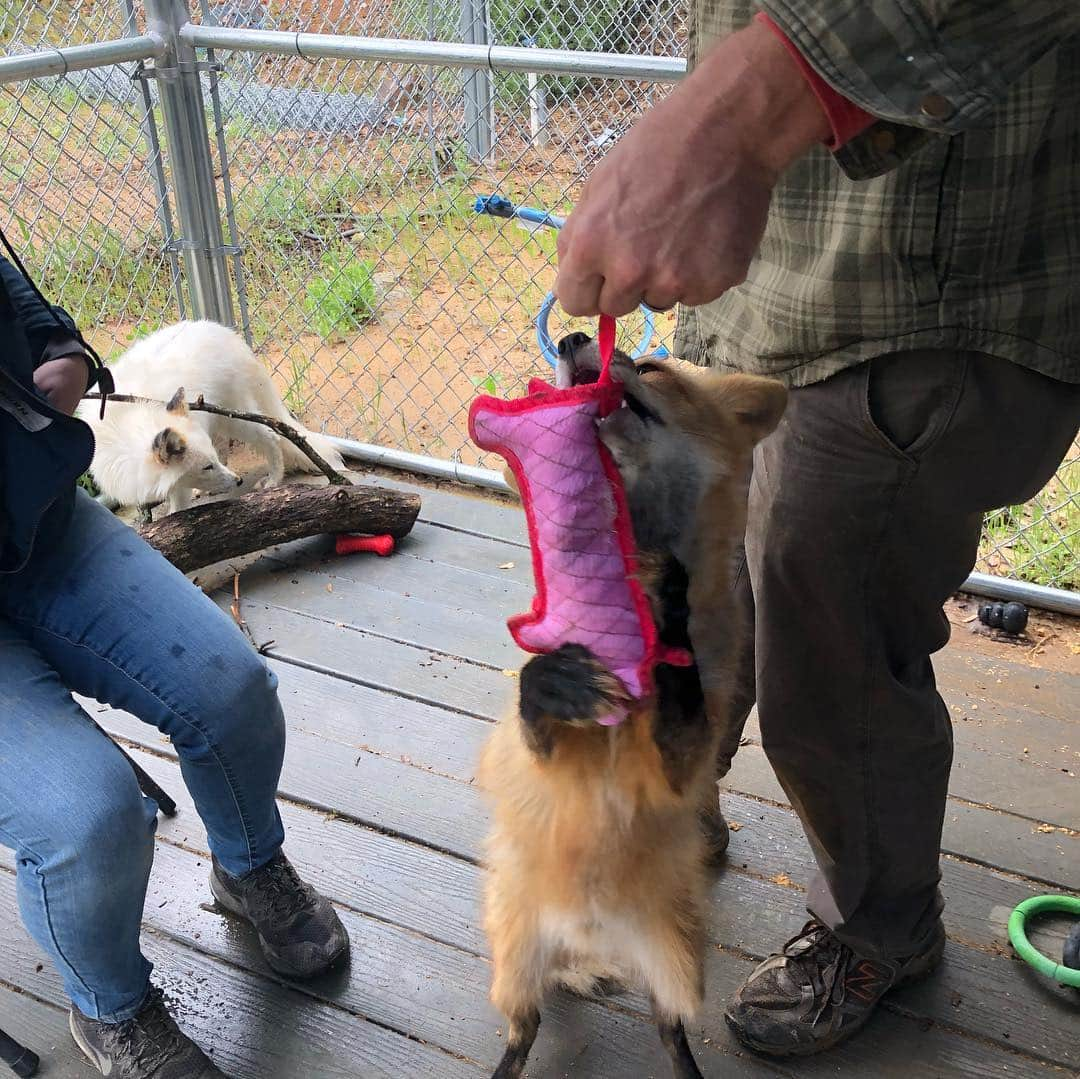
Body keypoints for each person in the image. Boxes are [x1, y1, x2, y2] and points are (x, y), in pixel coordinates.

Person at [556, 0, 1080, 1059]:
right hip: (764, 302)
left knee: (826, 660)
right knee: (700, 606)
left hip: (918, 294)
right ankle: (677, 807)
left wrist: (739, 114)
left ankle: (882, 924)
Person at [0, 251, 349, 1077]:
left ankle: (249, 863)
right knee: (88, 815)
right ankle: (113, 1009)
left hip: (39, 522)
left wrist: (62, 348)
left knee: (232, 689)